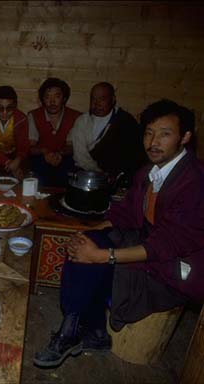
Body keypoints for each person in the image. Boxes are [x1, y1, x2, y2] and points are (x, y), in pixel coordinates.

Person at [34, 99, 204, 368]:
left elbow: (167, 243)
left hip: (177, 268)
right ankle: (86, 331)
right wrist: (90, 233)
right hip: (149, 243)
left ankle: (77, 332)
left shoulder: (194, 181)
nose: (153, 142)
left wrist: (103, 255)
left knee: (97, 262)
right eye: (149, 133)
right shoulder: (150, 171)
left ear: (185, 137)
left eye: (165, 133)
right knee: (86, 247)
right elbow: (125, 211)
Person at [72, 82, 147, 182]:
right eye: (93, 99)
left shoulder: (125, 121)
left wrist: (111, 175)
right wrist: (98, 172)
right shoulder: (82, 121)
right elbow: (79, 155)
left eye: (102, 99)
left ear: (113, 100)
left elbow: (133, 155)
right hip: (87, 174)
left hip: (118, 177)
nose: (97, 103)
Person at [28, 78, 81, 187]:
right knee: (37, 170)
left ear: (64, 98)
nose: (52, 102)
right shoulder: (34, 115)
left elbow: (71, 146)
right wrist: (44, 151)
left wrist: (60, 154)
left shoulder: (75, 117)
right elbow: (30, 147)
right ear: (42, 99)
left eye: (57, 96)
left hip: (65, 158)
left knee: (68, 171)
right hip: (41, 159)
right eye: (47, 97)